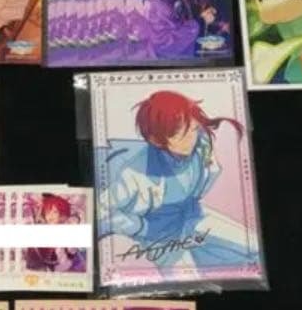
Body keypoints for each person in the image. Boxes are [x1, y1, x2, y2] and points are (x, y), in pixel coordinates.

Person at [97, 90, 256, 269]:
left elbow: (209, 171)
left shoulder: (201, 143)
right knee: (187, 277)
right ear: (156, 140)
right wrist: (140, 227)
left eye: (193, 130)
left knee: (254, 248)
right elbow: (103, 210)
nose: (191, 139)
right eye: (182, 135)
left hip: (194, 216)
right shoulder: (135, 172)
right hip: (159, 236)